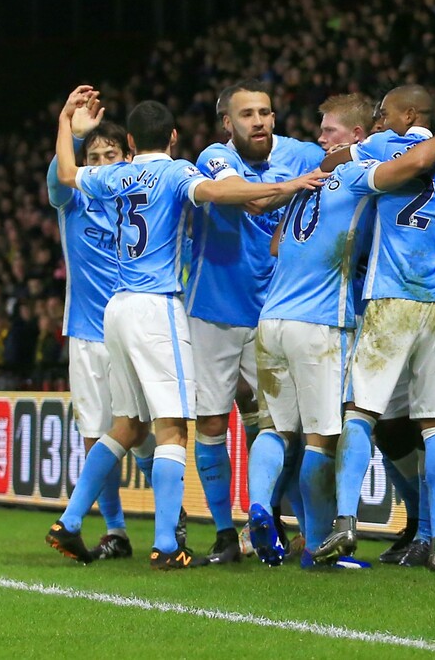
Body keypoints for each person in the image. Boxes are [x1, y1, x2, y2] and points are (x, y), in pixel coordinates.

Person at [46, 87, 323, 568]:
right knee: (173, 428)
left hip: (116, 309)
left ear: (132, 142)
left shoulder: (113, 174)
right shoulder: (176, 172)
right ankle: (168, 545)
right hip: (157, 306)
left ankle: (69, 521)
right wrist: (290, 186)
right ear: (174, 137)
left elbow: (67, 173)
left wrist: (66, 124)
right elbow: (218, 192)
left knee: (126, 425)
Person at [315, 114, 435, 572]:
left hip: (392, 296)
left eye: (383, 113)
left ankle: (345, 521)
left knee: (360, 413)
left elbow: (330, 162)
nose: (378, 121)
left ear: (404, 116)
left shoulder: (384, 145)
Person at [184, 80, 324, 563]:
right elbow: (247, 199)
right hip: (215, 310)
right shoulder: (214, 157)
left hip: (275, 311)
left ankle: (282, 524)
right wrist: (293, 186)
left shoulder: (301, 154)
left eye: (265, 112)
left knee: (283, 425)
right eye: (247, 114)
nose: (259, 121)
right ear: (228, 123)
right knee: (211, 422)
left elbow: (348, 156)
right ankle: (225, 534)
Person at [247, 94, 387, 569]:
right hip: (321, 323)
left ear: (356, 135)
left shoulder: (308, 181)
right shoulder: (360, 174)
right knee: (321, 440)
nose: (321, 138)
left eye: (329, 130)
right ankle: (317, 548)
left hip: (272, 321)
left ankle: (260, 506)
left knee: (274, 429)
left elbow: (274, 245)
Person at [45, 110, 140, 560]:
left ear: (128, 158)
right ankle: (116, 531)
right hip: (86, 333)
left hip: (134, 330)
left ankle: (174, 522)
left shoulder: (139, 201)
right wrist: (71, 130)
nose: (101, 164)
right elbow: (58, 176)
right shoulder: (73, 201)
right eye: (93, 157)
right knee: (96, 435)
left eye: (110, 155)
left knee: (145, 433)